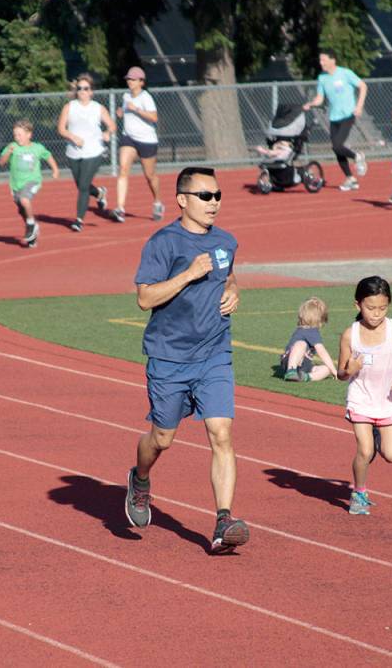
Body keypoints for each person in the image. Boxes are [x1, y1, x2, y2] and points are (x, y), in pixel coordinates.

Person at [124, 166, 249, 554]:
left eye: (217, 196)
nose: (214, 203)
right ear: (182, 200)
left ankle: (223, 520)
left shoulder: (227, 241)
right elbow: (145, 298)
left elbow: (228, 276)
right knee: (162, 438)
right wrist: (188, 275)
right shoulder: (163, 243)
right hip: (169, 356)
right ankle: (140, 479)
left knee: (222, 434)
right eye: (205, 196)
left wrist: (233, 290)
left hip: (214, 353)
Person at [336, 276, 392, 516]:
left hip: (389, 401)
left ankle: (376, 436)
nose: (376, 314)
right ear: (358, 305)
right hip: (361, 399)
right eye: (371, 308)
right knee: (364, 450)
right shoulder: (349, 335)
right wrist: (348, 370)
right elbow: (341, 373)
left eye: (382, 308)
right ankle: (359, 492)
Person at [57, 73, 117, 232]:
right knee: (80, 184)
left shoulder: (98, 108)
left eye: (86, 88)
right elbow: (61, 129)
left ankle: (78, 220)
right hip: (73, 152)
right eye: (80, 88)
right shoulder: (69, 107)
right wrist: (72, 136)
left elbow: (112, 125)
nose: (82, 91)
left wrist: (107, 133)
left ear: (91, 91)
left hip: (94, 151)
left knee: (83, 186)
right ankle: (99, 192)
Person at [302, 48, 368, 191]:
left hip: (348, 115)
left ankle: (357, 156)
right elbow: (320, 98)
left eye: (324, 60)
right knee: (336, 149)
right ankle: (350, 179)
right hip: (334, 117)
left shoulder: (345, 73)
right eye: (320, 60)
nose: (321, 63)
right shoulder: (322, 78)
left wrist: (359, 106)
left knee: (337, 145)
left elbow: (363, 86)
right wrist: (311, 103)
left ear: (333, 60)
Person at [113, 66, 164, 223]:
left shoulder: (145, 97)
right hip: (128, 138)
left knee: (149, 176)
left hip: (146, 140)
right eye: (128, 79)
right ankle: (120, 208)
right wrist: (121, 112)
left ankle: (157, 202)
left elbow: (154, 118)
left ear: (141, 82)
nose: (129, 82)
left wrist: (136, 110)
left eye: (133, 79)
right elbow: (124, 109)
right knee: (123, 170)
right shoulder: (125, 95)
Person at [0, 119, 59, 248]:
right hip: (16, 185)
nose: (17, 138)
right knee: (22, 210)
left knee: (25, 200)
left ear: (29, 135)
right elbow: (1, 162)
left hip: (33, 181)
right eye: (15, 135)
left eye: (20, 135)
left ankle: (31, 224)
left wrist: (55, 169)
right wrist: (8, 152)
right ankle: (33, 232)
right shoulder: (12, 147)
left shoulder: (37, 148)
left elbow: (48, 156)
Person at [280, 296, 337, 382]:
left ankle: (305, 377)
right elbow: (321, 351)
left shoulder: (306, 330)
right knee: (300, 344)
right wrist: (334, 369)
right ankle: (291, 371)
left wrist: (329, 369)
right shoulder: (310, 331)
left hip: (304, 366)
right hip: (290, 362)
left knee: (326, 369)